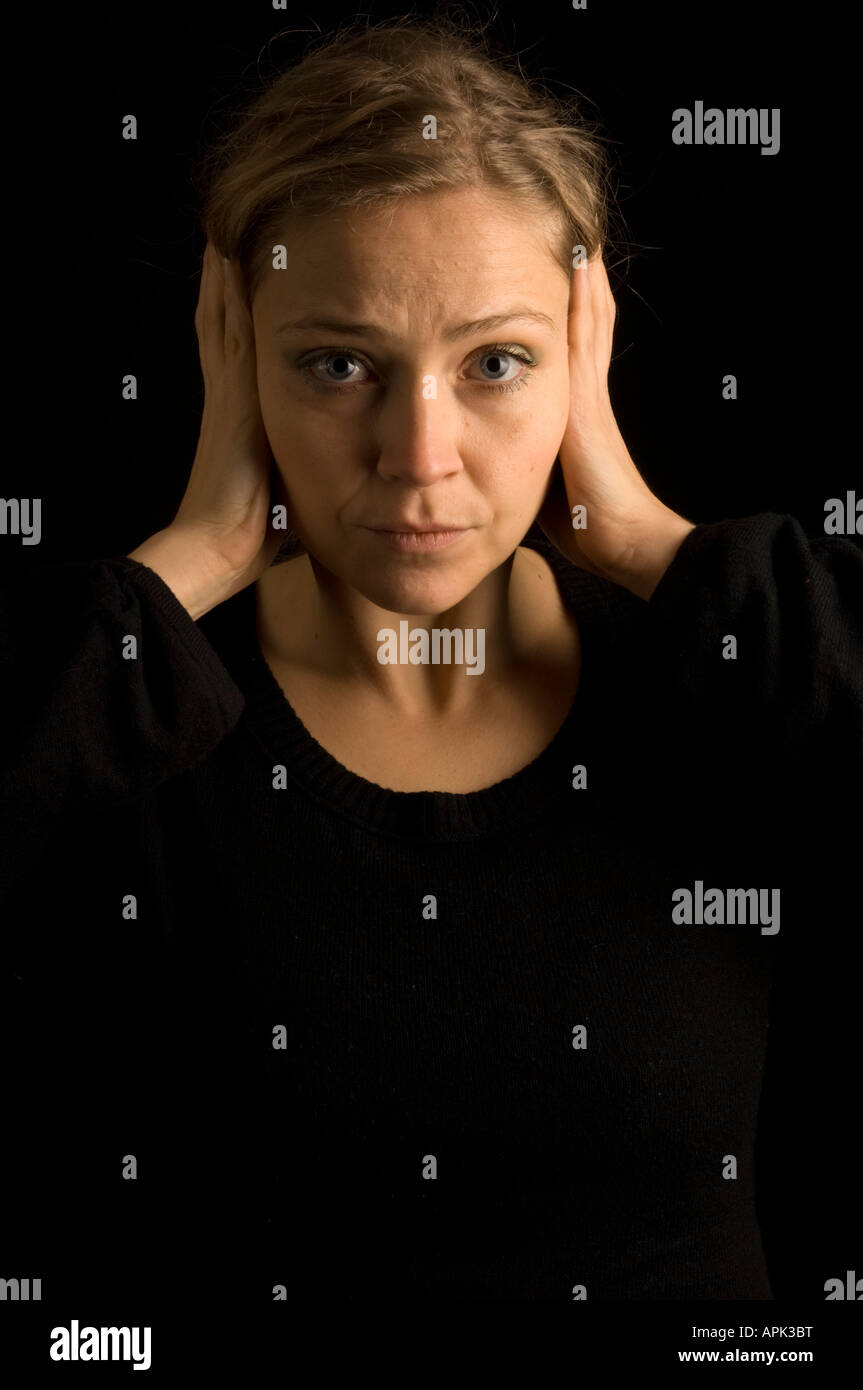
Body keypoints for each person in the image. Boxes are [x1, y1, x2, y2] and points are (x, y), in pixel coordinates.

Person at [2, 17, 861, 1309]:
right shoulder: (124, 714)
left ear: (586, 354)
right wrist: (185, 564)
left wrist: (647, 539)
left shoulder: (728, 678)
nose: (419, 455)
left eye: (496, 362)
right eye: (339, 363)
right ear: (232, 351)